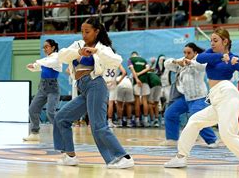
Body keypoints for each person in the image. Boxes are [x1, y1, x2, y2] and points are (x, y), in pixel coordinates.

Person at [164, 27, 239, 172]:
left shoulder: (233, 58)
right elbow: (200, 58)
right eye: (211, 41)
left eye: (215, 40)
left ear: (225, 41)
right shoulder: (211, 54)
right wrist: (221, 56)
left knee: (227, 133)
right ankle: (181, 157)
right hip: (216, 98)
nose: (212, 44)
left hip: (228, 94)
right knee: (194, 121)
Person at [54, 17, 134, 169]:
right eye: (82, 31)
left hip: (96, 85)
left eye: (87, 31)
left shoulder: (102, 48)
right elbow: (62, 56)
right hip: (83, 89)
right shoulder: (77, 44)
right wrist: (77, 52)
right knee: (61, 118)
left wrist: (97, 52)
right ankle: (70, 155)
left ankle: (123, 157)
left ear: (96, 32)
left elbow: (116, 60)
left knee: (97, 125)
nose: (84, 35)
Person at [161, 43, 218, 147]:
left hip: (199, 97)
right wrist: (175, 61)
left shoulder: (201, 61)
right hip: (185, 98)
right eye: (184, 52)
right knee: (170, 114)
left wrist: (189, 62)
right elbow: (166, 64)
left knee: (196, 117)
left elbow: (201, 68)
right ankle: (172, 140)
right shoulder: (181, 61)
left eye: (189, 53)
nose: (186, 55)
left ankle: (212, 140)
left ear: (195, 53)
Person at [24, 39, 62, 141]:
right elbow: (41, 66)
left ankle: (62, 132)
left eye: (46, 47)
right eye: (43, 47)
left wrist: (37, 62)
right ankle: (35, 133)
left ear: (53, 47)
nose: (44, 49)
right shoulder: (46, 59)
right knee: (32, 109)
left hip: (53, 88)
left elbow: (49, 63)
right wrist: (33, 66)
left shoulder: (57, 57)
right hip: (42, 87)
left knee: (50, 112)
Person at [128, 51, 151, 127]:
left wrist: (137, 78)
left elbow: (132, 70)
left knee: (137, 100)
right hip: (145, 81)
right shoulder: (143, 60)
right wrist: (141, 73)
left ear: (132, 55)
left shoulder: (130, 59)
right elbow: (148, 68)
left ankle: (137, 120)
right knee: (145, 100)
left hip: (137, 82)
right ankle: (146, 121)